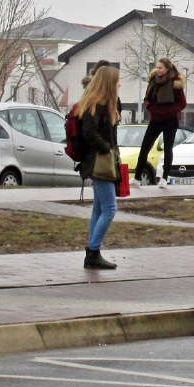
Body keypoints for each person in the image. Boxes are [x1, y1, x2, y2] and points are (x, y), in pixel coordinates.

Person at [77, 65, 122, 269]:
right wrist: (106, 149)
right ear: (108, 83)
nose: (119, 84)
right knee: (110, 208)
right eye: (116, 81)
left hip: (101, 160)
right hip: (98, 162)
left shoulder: (106, 103)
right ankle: (93, 252)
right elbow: (89, 132)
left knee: (98, 208)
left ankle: (92, 250)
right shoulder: (96, 104)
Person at [137, 58, 186, 188]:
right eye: (157, 67)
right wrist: (153, 109)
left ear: (167, 69)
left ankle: (164, 178)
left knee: (168, 148)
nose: (158, 70)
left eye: (161, 68)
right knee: (145, 147)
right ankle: (136, 178)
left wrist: (170, 111)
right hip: (155, 118)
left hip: (170, 120)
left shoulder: (175, 84)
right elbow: (147, 100)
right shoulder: (153, 81)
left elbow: (182, 103)